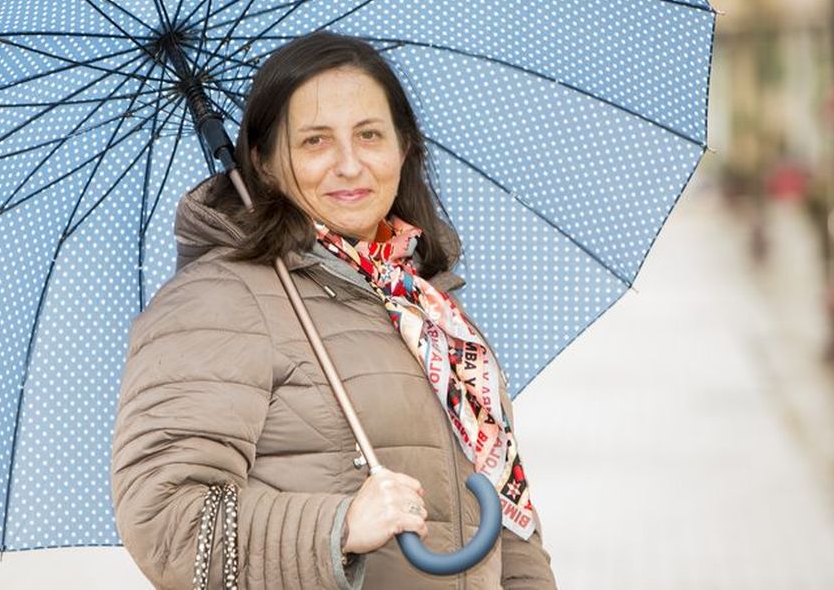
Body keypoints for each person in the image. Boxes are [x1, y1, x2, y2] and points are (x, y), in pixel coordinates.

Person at [111, 30, 557, 589]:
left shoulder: (425, 305)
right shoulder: (218, 300)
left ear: (404, 147)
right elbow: (164, 520)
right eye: (316, 142)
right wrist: (337, 527)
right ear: (265, 163)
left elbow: (506, 512)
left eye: (369, 134)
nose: (350, 165)